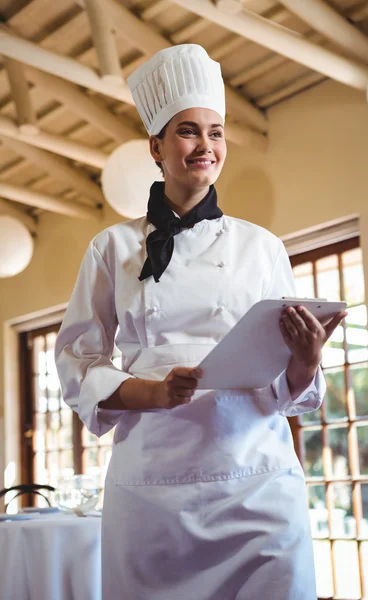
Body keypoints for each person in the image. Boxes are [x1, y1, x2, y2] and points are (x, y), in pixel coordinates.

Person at [55, 44, 346, 600]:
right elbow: (77, 360)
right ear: (156, 147)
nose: (205, 146)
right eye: (188, 131)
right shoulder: (111, 247)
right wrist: (154, 392)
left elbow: (286, 383)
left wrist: (306, 361)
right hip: (152, 488)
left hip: (256, 480)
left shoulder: (261, 246)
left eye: (216, 133)